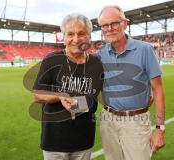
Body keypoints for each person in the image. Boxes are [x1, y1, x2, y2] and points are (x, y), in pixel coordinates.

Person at [97, 5, 166, 160]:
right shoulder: (100, 54)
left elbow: (158, 89)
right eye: (105, 25)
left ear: (125, 24)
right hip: (108, 121)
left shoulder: (145, 49)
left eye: (114, 23)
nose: (109, 28)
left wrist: (159, 128)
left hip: (136, 121)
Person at [33, 13, 103, 160]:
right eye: (70, 34)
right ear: (64, 37)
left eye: (81, 34)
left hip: (84, 140)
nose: (76, 39)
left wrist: (77, 104)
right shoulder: (51, 60)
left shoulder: (96, 64)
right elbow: (37, 95)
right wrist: (60, 97)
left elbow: (94, 102)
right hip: (54, 141)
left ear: (88, 37)